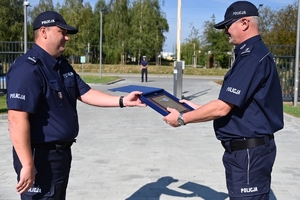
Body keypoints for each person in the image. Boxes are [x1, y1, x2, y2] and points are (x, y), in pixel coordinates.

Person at [6, 11, 145, 200]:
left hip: (60, 155)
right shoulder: (27, 69)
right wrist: (28, 164)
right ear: (44, 32)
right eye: (62, 32)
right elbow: (16, 119)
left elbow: (85, 92)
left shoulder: (61, 65)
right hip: (40, 156)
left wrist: (122, 101)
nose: (66, 38)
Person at [163, 1, 284, 199]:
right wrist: (194, 108)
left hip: (248, 154)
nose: (225, 31)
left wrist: (183, 119)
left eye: (228, 25)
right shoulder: (252, 54)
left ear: (245, 23)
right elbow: (238, 105)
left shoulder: (252, 57)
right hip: (247, 153)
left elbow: (221, 108)